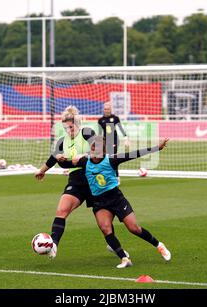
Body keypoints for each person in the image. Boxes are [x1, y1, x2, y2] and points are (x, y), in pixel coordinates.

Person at [57, 136, 171, 268]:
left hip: (116, 199)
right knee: (106, 228)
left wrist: (157, 147)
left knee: (134, 228)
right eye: (93, 151)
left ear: (104, 152)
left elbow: (134, 154)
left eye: (98, 152)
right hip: (99, 202)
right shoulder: (84, 161)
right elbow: (67, 164)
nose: (95, 155)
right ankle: (124, 258)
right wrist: (60, 159)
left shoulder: (111, 160)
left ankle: (159, 245)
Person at [34, 106, 98, 259]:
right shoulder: (63, 141)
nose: (68, 130)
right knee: (61, 210)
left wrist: (83, 155)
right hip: (76, 181)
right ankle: (53, 244)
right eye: (65, 127)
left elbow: (100, 151)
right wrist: (42, 170)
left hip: (95, 179)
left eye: (70, 126)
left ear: (78, 123)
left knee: (103, 222)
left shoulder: (87, 133)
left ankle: (113, 244)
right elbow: (53, 157)